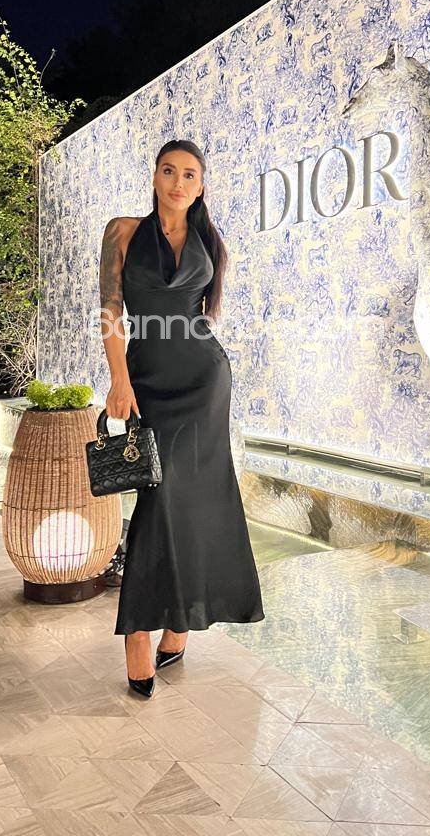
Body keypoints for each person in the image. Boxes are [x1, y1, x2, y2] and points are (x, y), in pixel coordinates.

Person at [99, 138, 265, 697]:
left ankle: (180, 620)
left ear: (201, 186)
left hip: (204, 381)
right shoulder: (123, 232)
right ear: (155, 176)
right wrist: (119, 379)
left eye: (189, 174)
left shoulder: (211, 243)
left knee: (200, 498)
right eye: (169, 171)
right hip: (147, 380)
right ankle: (138, 631)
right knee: (158, 499)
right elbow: (111, 311)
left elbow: (203, 314)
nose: (178, 182)